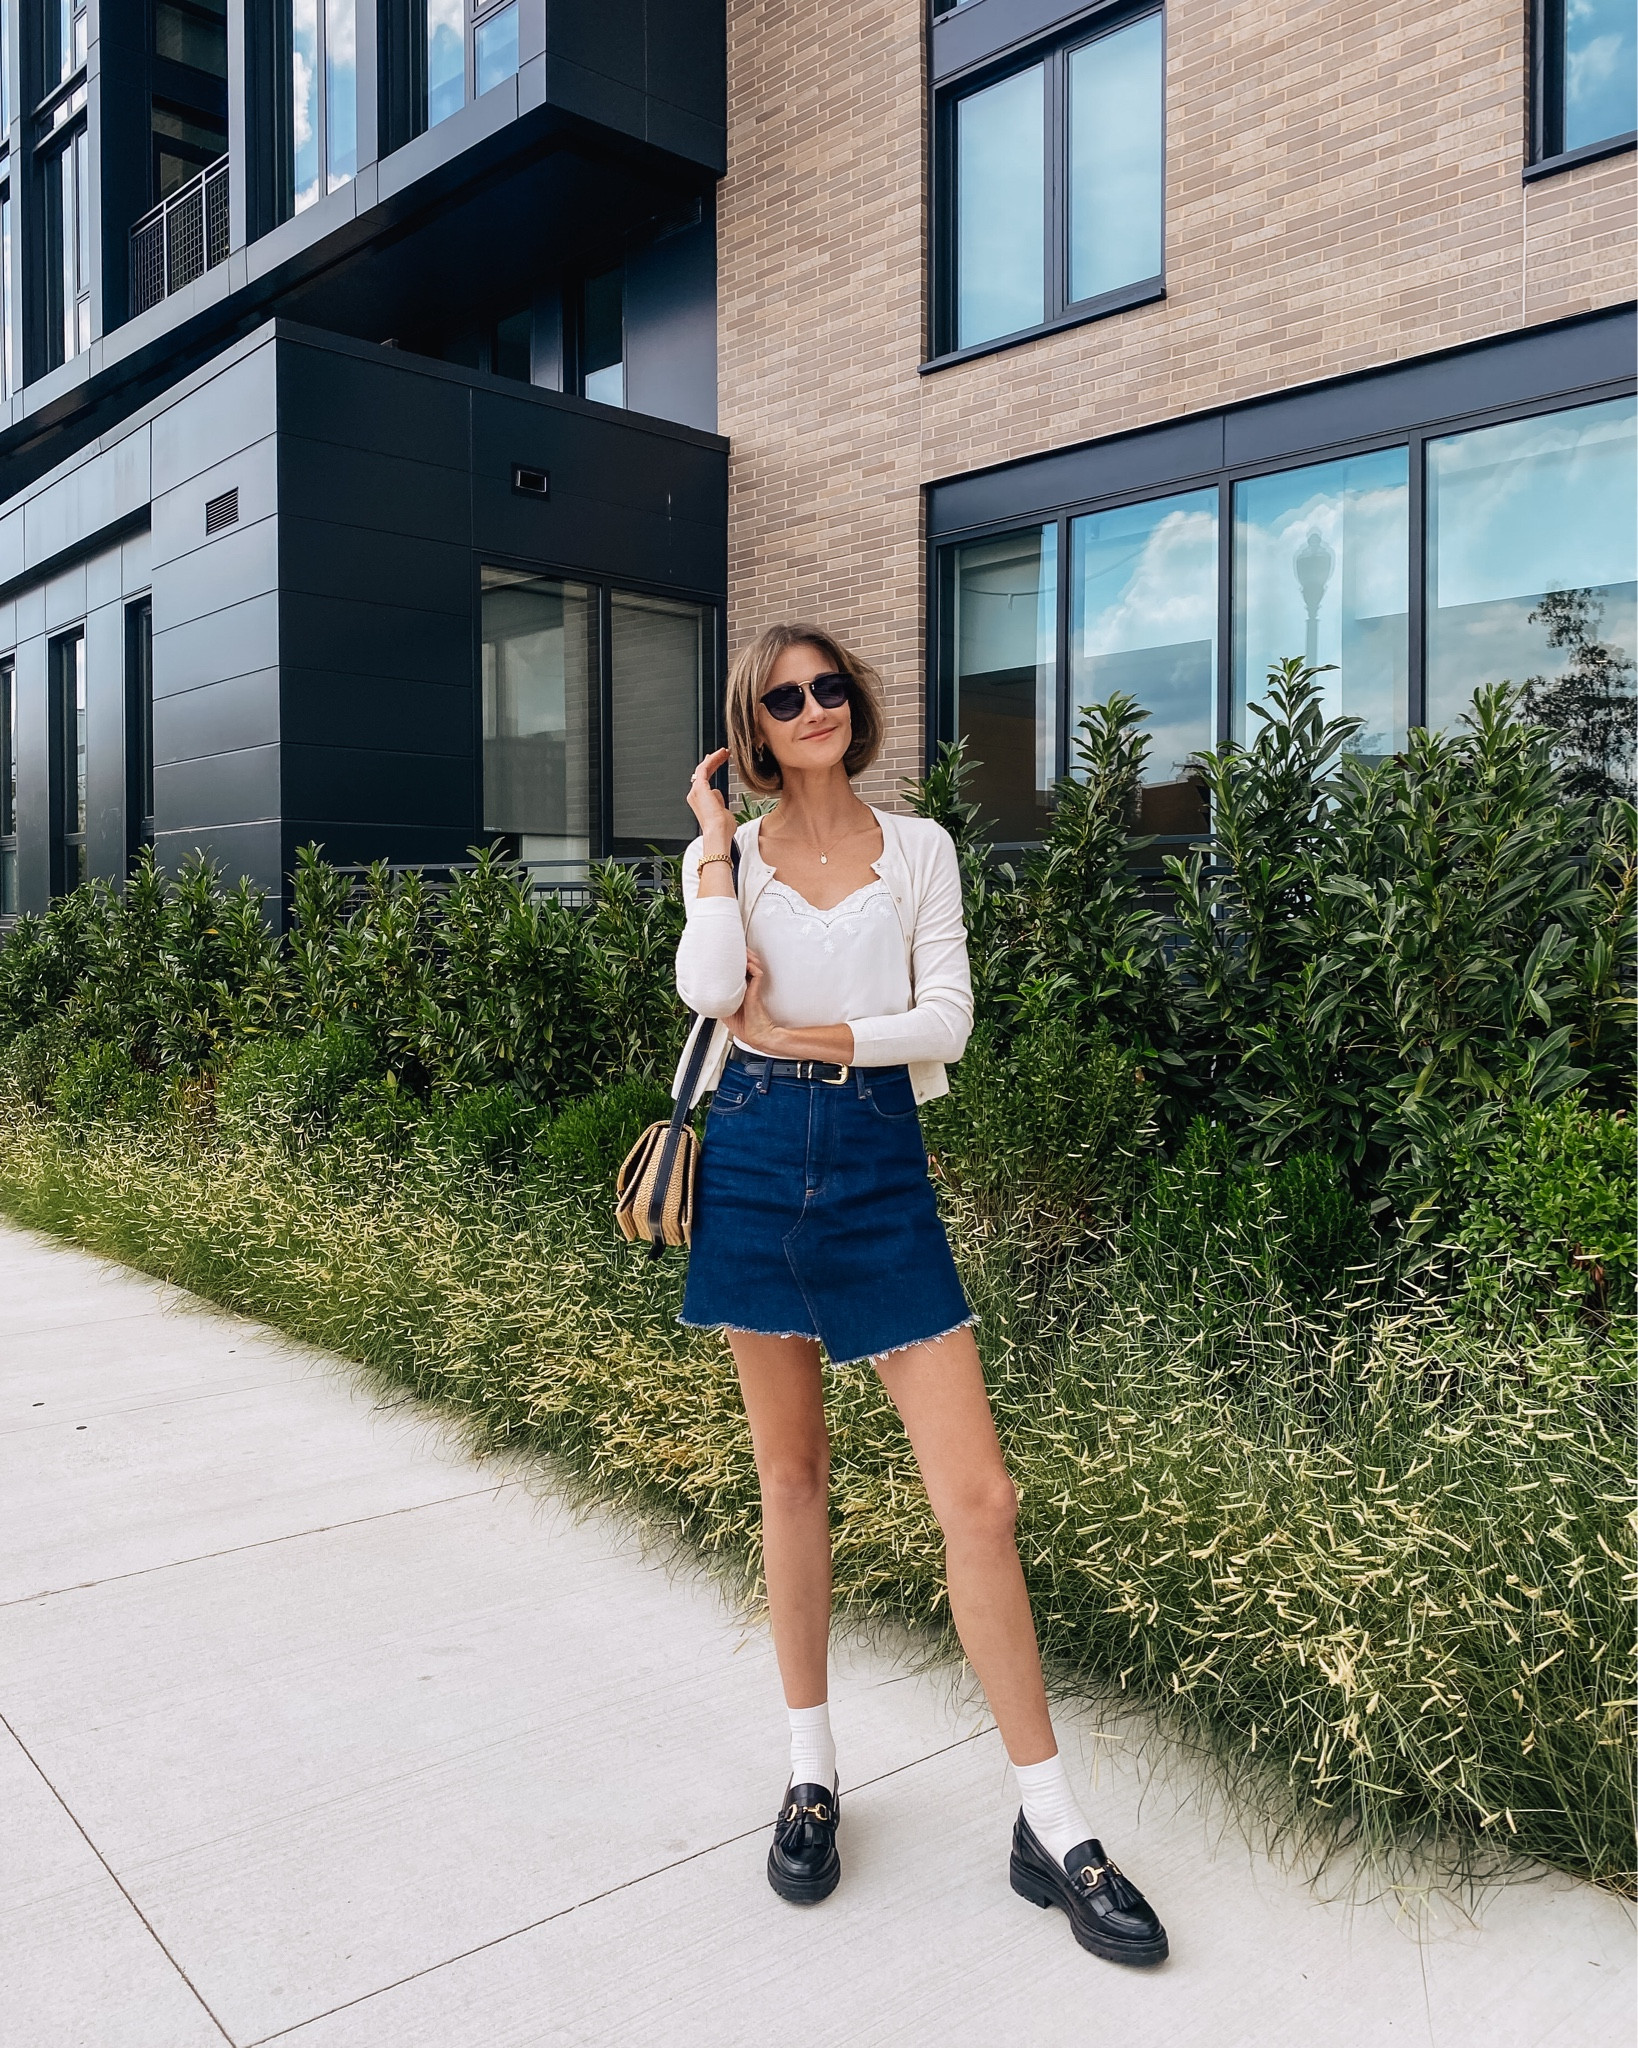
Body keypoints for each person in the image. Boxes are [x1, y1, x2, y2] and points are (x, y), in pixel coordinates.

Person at [672, 622, 1169, 1967]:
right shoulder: (728, 856)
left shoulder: (921, 848)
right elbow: (709, 989)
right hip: (756, 1157)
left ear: (856, 702)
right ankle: (810, 1772)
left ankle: (1050, 1822)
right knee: (791, 1479)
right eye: (786, 699)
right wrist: (712, 842)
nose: (814, 708)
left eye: (830, 687)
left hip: (878, 1160)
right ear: (755, 729)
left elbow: (944, 1019)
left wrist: (806, 1033)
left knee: (980, 1501)